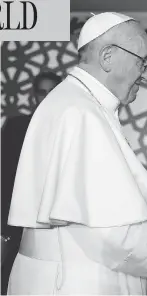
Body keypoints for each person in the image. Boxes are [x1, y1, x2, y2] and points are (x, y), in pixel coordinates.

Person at [7, 12, 147, 295]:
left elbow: (105, 209)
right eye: (142, 61)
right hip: (78, 281)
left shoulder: (76, 103)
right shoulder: (82, 114)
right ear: (108, 56)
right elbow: (116, 234)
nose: (145, 72)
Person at [1, 71, 62, 294]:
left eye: (52, 92)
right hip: (21, 219)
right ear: (33, 95)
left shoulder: (71, 127)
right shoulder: (16, 127)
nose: (46, 97)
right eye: (41, 92)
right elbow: (5, 175)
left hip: (60, 221)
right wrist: (4, 226)